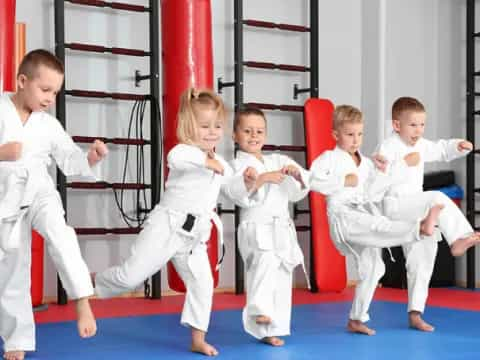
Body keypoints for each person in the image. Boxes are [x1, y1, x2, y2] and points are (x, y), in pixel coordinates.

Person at [95, 87, 252, 356]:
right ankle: (90, 283)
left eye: (217, 126)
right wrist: (206, 161)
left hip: (194, 237)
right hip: (166, 227)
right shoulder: (184, 152)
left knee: (204, 284)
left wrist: (247, 182)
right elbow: (175, 158)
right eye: (205, 126)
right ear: (190, 127)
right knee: (130, 276)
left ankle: (197, 338)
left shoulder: (222, 163)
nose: (212, 132)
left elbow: (233, 192)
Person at [0, 49, 107, 360]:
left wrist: (90, 158)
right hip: (7, 202)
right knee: (13, 269)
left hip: (40, 193)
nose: (50, 98)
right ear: (22, 81)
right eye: (45, 90)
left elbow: (68, 157)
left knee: (61, 236)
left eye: (55, 92)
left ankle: (83, 301)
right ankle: (17, 340)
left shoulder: (48, 124)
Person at [309, 104, 444, 336]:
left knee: (374, 268)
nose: (356, 140)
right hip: (344, 218)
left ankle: (356, 319)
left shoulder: (366, 163)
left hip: (362, 212)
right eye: (350, 134)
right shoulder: (329, 158)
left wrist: (388, 170)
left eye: (359, 134)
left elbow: (376, 191)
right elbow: (312, 181)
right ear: (335, 135)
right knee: (379, 226)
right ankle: (419, 229)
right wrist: (343, 181)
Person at [375, 96, 480, 332]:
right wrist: (402, 164)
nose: (418, 130)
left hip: (416, 210)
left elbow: (440, 149)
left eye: (422, 124)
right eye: (413, 125)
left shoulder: (420, 145)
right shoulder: (387, 147)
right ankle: (459, 239)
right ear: (396, 125)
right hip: (395, 206)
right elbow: (377, 180)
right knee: (437, 198)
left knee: (423, 257)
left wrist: (457, 146)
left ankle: (415, 313)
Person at [228, 107, 310, 346]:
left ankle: (271, 329)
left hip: (281, 228)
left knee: (282, 276)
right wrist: (261, 179)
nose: (254, 136)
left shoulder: (279, 160)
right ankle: (258, 309)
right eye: (247, 131)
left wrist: (296, 175)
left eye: (259, 131)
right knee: (264, 262)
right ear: (235, 135)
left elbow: (297, 192)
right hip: (255, 226)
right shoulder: (236, 165)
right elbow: (237, 194)